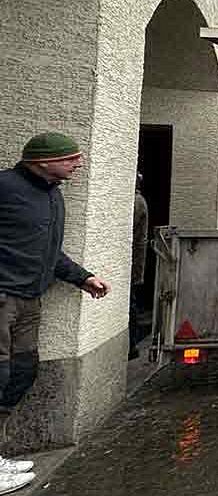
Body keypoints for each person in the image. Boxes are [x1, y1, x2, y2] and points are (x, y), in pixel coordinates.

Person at [0, 133, 110, 491]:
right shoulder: (6, 187)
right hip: (3, 298)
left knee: (22, 372)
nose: (79, 164)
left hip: (30, 300)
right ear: (44, 161)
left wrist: (82, 278)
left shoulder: (52, 195)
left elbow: (49, 251)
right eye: (71, 158)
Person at [128, 173, 149, 360]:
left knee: (130, 304)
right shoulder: (137, 200)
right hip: (132, 265)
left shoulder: (136, 202)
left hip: (131, 265)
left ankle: (130, 345)